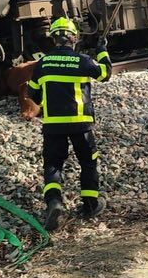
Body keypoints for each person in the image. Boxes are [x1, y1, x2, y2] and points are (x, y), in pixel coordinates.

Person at [27, 17, 112, 231]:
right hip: (81, 125)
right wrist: (102, 50)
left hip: (53, 125)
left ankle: (55, 202)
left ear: (54, 38)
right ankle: (91, 204)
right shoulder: (82, 61)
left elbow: (33, 94)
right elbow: (105, 73)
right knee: (88, 163)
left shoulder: (42, 64)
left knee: (53, 164)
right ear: (73, 38)